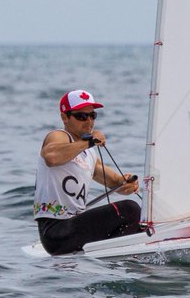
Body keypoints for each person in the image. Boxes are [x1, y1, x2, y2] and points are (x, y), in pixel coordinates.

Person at [33, 89, 142, 255]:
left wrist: (126, 183)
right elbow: (51, 156)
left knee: (139, 224)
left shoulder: (89, 153)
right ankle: (116, 258)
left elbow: (115, 182)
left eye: (92, 116)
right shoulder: (59, 136)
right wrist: (89, 142)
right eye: (81, 116)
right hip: (56, 232)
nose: (88, 121)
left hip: (74, 228)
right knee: (130, 210)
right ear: (65, 117)